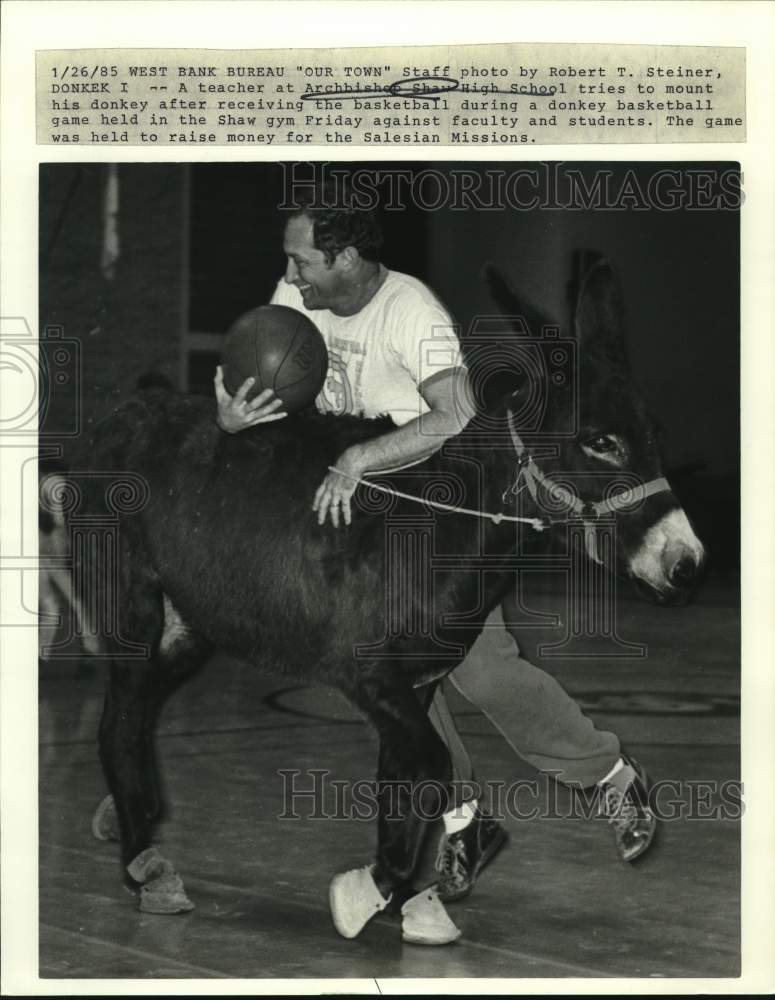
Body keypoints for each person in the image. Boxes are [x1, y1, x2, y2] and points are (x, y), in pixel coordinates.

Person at [214, 181, 656, 907]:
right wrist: (236, 420)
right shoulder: (295, 298)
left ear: (346, 256)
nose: (289, 275)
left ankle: (607, 775)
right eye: (289, 262)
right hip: (351, 508)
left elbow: (456, 415)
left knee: (479, 670)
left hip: (431, 506)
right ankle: (464, 820)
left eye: (301, 261)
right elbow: (274, 399)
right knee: (393, 678)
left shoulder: (410, 313)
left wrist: (361, 456)